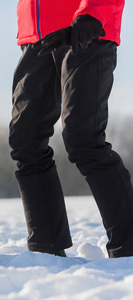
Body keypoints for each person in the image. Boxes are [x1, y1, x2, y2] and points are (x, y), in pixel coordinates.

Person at [9, 0, 133, 258]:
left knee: (83, 138)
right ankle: (46, 249)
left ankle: (130, 245)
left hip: (84, 29)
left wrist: (93, 13)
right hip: (35, 34)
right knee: (26, 141)